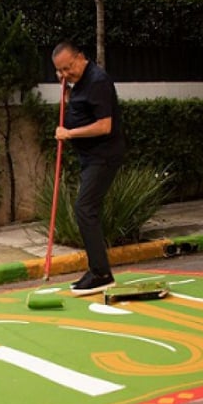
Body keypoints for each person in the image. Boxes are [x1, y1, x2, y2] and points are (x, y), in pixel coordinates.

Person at [52, 41, 127, 296]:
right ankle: (97, 270)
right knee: (87, 210)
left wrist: (69, 133)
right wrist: (66, 93)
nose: (65, 75)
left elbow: (104, 125)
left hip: (103, 156)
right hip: (90, 158)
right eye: (60, 71)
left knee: (84, 209)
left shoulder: (97, 81)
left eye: (68, 68)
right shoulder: (79, 83)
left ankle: (101, 273)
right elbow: (79, 106)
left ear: (80, 58)